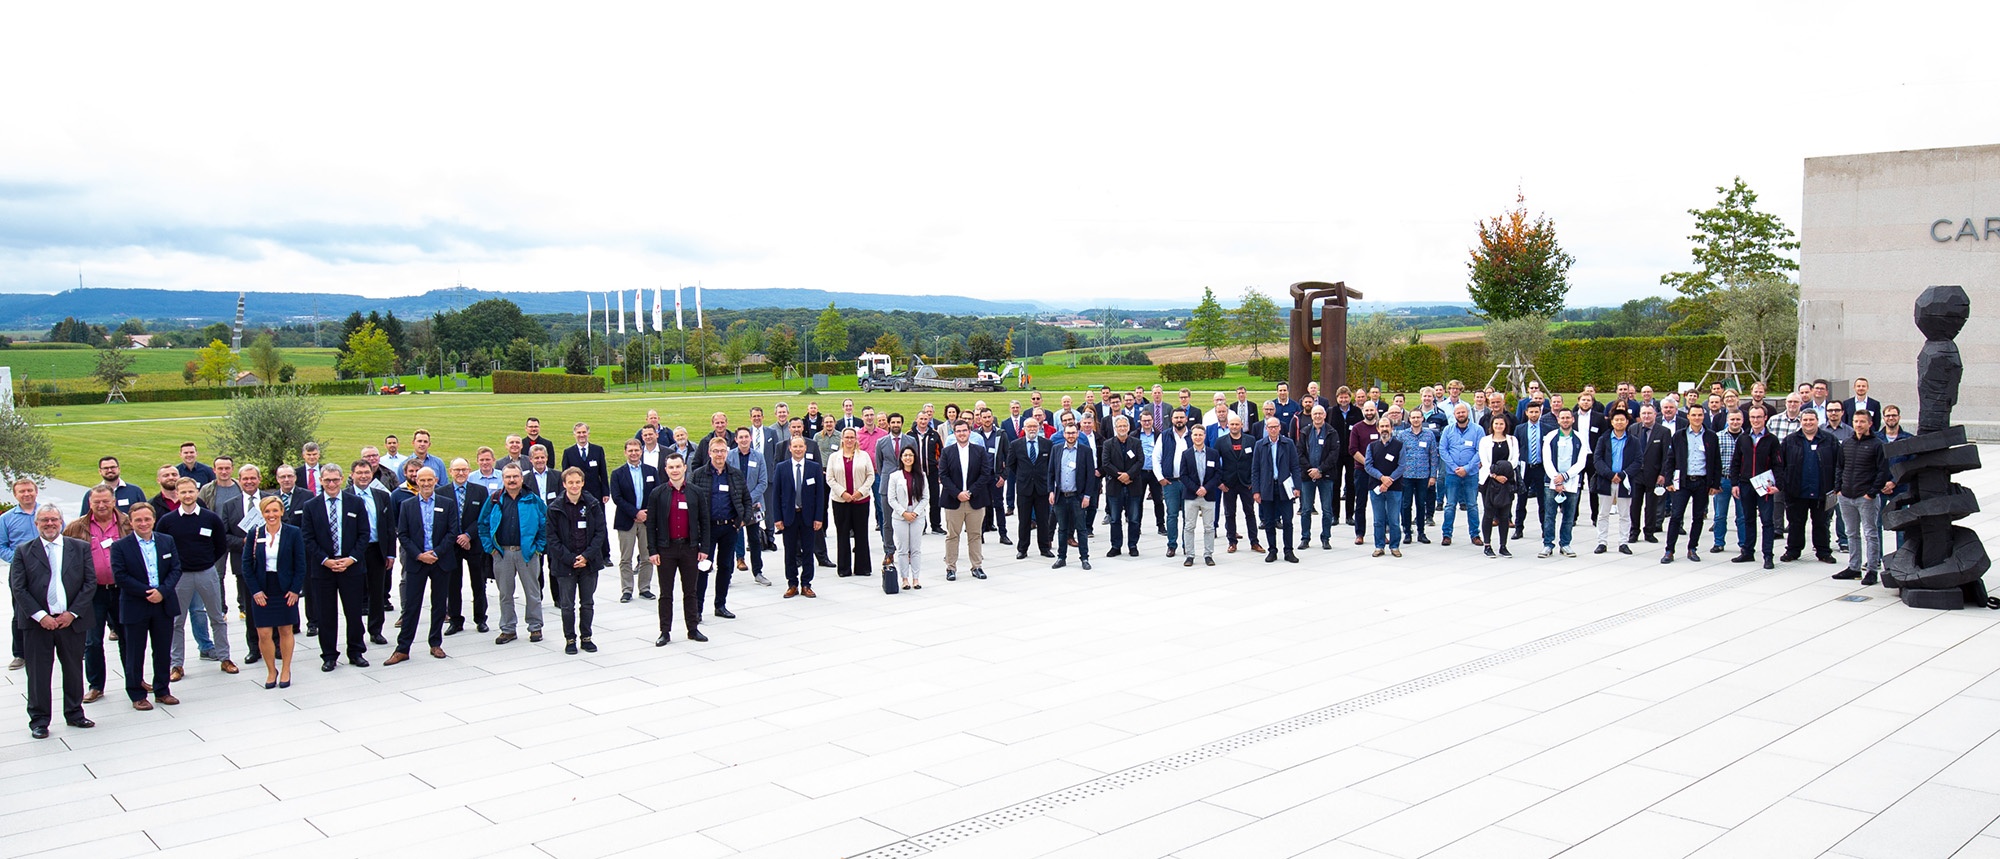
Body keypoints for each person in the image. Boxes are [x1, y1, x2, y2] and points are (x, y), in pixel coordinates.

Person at [12, 504, 94, 737]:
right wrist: (41, 616)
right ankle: (39, 721)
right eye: (44, 520)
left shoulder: (79, 548)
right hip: (38, 624)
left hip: (71, 622)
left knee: (73, 669)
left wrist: (72, 613)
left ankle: (75, 713)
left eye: (54, 520)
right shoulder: (24, 551)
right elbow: (18, 587)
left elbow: (89, 583)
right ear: (36, 523)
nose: (49, 524)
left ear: (61, 522)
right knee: (38, 674)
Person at [156, 478, 236, 679]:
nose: (187, 496)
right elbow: (161, 547)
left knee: (217, 617)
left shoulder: (211, 519)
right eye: (183, 492)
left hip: (207, 573)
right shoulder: (167, 521)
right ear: (177, 494)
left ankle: (224, 657)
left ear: (196, 492)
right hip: (180, 577)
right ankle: (176, 665)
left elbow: (220, 545)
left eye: (191, 491)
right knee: (176, 621)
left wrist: (206, 561)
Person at [60, 485, 127, 703]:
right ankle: (96, 685)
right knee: (92, 641)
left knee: (128, 637)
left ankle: (134, 680)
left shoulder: (127, 522)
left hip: (122, 590)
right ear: (89, 503)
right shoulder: (76, 527)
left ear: (113, 501)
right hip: (92, 593)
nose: (101, 505)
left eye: (105, 501)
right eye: (96, 501)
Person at [387, 467, 459, 663]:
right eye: (422, 480)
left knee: (438, 604)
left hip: (440, 561)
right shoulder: (407, 505)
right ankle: (403, 648)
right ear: (416, 481)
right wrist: (419, 555)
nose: (426, 484)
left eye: (430, 480)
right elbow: (402, 534)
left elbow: (452, 532)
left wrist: (435, 553)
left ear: (435, 480)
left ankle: (435, 643)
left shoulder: (448, 503)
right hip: (417, 562)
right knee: (411, 606)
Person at [302, 465, 369, 672]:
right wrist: (325, 560)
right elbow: (307, 537)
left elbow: (364, 534)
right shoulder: (310, 506)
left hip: (351, 567)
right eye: (327, 480)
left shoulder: (355, 503)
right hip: (323, 570)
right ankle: (329, 655)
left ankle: (356, 652)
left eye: (335, 480)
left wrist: (351, 559)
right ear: (321, 480)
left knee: (354, 612)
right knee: (326, 615)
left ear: (342, 480)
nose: (331, 484)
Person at [241, 496, 306, 688]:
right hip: (263, 587)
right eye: (267, 511)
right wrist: (255, 591)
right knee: (263, 633)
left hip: (285, 587)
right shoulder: (255, 533)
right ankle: (271, 670)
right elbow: (246, 565)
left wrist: (295, 590)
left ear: (281, 512)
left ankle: (286, 669)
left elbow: (300, 564)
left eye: (275, 511)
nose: (271, 515)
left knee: (286, 630)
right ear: (262, 514)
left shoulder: (293, 533)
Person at [646, 453, 711, 642]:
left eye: (678, 467)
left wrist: (704, 548)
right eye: (671, 467)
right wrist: (653, 551)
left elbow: (704, 522)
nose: (675, 470)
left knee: (690, 591)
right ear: (666, 470)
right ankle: (664, 631)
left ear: (684, 468)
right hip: (666, 549)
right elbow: (651, 525)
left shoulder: (695, 492)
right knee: (666, 593)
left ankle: (692, 629)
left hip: (689, 548)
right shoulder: (657, 494)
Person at [546, 467, 608, 654]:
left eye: (577, 482)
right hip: (566, 565)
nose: (574, 486)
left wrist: (586, 557)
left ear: (582, 482)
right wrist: (570, 558)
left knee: (587, 603)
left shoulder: (592, 504)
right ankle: (570, 639)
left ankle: (586, 637)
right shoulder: (555, 507)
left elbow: (600, 532)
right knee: (567, 605)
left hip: (588, 564)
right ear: (564, 484)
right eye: (570, 482)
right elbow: (552, 538)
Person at [692, 438, 751, 618]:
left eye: (722, 451)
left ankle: (720, 605)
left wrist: (743, 520)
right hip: (707, 530)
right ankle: (697, 609)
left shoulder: (735, 474)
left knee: (725, 567)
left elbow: (746, 500)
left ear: (727, 453)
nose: (719, 455)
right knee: (703, 568)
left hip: (728, 528)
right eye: (716, 451)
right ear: (709, 453)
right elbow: (691, 502)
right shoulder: (699, 474)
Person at [1833, 410, 1890, 585]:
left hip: (1866, 498)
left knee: (1870, 533)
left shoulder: (1877, 444)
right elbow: (1840, 467)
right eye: (1856, 421)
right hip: (1846, 496)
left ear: (1870, 424)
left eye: (1862, 422)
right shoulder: (1847, 443)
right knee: (1851, 533)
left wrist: (1871, 492)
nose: (1858, 424)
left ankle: (1872, 569)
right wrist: (1838, 488)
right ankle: (1854, 567)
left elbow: (1883, 471)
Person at [1661, 404, 1722, 564]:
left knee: (1698, 517)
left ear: (1703, 416)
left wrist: (1715, 484)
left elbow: (1716, 462)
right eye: (1693, 415)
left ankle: (1692, 548)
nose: (1697, 418)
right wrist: (1668, 481)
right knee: (1676, 516)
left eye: (1700, 415)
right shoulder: (1679, 436)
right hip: (1683, 481)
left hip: (1702, 482)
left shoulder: (1711, 436)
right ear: (1688, 416)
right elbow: (1670, 459)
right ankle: (1669, 550)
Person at [1780, 409, 1839, 565]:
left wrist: (1837, 487)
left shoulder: (1830, 440)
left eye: (1811, 420)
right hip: (1796, 490)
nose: (1808, 423)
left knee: (1822, 523)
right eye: (1805, 420)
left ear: (1817, 420)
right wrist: (1784, 484)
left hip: (1823, 491)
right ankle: (1793, 550)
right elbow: (1781, 465)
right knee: (1795, 523)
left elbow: (1839, 465)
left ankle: (1823, 552)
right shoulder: (1790, 441)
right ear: (1801, 421)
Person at [771, 437, 826, 599]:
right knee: (790, 552)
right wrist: (777, 518)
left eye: (801, 446)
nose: (798, 449)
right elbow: (776, 496)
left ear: (805, 448)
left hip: (808, 516)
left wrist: (818, 518)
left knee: (808, 551)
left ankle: (806, 584)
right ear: (790, 448)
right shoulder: (782, 468)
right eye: (795, 446)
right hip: (789, 516)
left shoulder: (814, 468)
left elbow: (820, 495)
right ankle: (792, 584)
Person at [1731, 406, 1784, 570]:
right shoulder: (1743, 438)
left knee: (1767, 521)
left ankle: (1768, 555)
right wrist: (1734, 483)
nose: (1755, 420)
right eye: (1753, 417)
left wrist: (1778, 485)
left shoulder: (1772, 439)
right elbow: (1736, 462)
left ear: (1765, 418)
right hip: (1746, 484)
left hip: (1764, 485)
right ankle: (1747, 551)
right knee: (1748, 519)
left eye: (1759, 417)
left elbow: (1778, 464)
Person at [443, 459, 490, 637]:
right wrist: (458, 537)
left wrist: (468, 535)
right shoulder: (442, 492)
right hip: (452, 545)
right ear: (450, 471)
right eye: (457, 470)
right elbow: (443, 520)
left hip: (474, 543)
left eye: (464, 469)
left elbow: (483, 517)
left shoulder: (479, 491)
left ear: (469, 470)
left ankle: (480, 618)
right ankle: (455, 620)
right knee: (453, 584)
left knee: (479, 582)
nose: (461, 473)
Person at [610, 438, 660, 603]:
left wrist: (647, 513)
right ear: (625, 452)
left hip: (647, 520)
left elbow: (657, 494)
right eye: (630, 450)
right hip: (627, 520)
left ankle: (644, 588)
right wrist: (635, 512)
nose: (634, 453)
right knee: (626, 558)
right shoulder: (617, 473)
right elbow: (617, 497)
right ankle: (627, 589)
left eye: (636, 450)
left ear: (641, 451)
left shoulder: (651, 471)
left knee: (647, 556)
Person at [3, 479, 44, 672]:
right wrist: (18, 559)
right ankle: (20, 654)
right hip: (20, 571)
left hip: (48, 568)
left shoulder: (47, 514)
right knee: (20, 610)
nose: (26, 494)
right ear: (15, 495)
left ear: (36, 492)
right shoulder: (7, 518)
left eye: (29, 490)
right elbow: (2, 546)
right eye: (22, 491)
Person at [827, 428, 877, 579]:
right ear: (842, 439)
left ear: (856, 439)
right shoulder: (834, 457)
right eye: (846, 437)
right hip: (841, 501)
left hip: (860, 500)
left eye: (852, 437)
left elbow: (870, 476)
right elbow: (830, 478)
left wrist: (859, 492)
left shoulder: (864, 456)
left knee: (861, 534)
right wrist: (843, 493)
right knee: (842, 534)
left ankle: (863, 567)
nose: (849, 440)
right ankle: (844, 568)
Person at [1048, 422, 1098, 570]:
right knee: (1062, 529)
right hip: (1061, 496)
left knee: (1081, 529)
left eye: (1073, 433)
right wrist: (1051, 491)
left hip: (1078, 496)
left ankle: (1084, 558)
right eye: (1068, 433)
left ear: (1078, 434)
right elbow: (1050, 472)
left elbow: (1090, 476)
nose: (1070, 436)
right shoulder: (1056, 449)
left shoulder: (1085, 451)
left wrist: (1087, 496)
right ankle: (1061, 557)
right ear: (1064, 434)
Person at [1540, 409, 1588, 558]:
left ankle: (1565, 544)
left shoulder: (1580, 438)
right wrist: (1556, 478)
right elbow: (1546, 460)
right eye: (1563, 418)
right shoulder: (1550, 437)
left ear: (1573, 419)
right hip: (1552, 482)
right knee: (1549, 515)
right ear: (1558, 420)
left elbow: (1581, 462)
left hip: (1572, 482)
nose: (1565, 420)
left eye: (1568, 417)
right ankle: (1548, 545)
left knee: (1568, 515)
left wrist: (1565, 476)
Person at [1098, 416, 1146, 559]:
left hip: (1133, 485)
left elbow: (1140, 461)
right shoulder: (1108, 444)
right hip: (1115, 486)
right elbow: (1105, 463)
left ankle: (1133, 545)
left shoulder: (1136, 443)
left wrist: (1129, 475)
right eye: (1119, 426)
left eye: (1125, 426)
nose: (1122, 429)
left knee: (1134, 518)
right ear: (1115, 428)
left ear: (1128, 427)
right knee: (1114, 519)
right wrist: (1120, 476)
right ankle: (1115, 546)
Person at [1007, 416, 1054, 559]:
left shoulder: (1047, 444)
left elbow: (1051, 465)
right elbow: (1011, 464)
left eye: (1035, 426)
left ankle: (1045, 547)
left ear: (1039, 428)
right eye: (1029, 427)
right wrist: (1024, 475)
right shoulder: (1016, 445)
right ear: (1024, 429)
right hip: (1024, 488)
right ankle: (1022, 548)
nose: (1032, 429)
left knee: (1043, 519)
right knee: (1024, 520)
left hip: (1042, 488)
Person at [731, 427, 772, 587]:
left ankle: (758, 572)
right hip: (734, 505)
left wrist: (747, 499)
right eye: (740, 437)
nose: (743, 440)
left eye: (746, 437)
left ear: (750, 438)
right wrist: (737, 500)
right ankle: (728, 574)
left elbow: (763, 482)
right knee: (732, 538)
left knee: (754, 539)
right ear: (736, 439)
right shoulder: (730, 457)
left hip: (753, 505)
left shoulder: (758, 457)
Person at [1592, 410, 1638, 555]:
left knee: (1625, 514)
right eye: (1616, 420)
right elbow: (1597, 459)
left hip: (1625, 482)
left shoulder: (1633, 440)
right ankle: (1602, 542)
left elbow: (1638, 461)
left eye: (1622, 420)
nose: (1619, 422)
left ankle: (1623, 542)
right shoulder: (1604, 439)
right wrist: (1610, 474)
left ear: (1627, 422)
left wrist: (1623, 475)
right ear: (1612, 422)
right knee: (1603, 513)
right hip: (1606, 480)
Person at [1177, 424, 1224, 566]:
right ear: (1191, 437)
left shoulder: (1213, 453)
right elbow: (1183, 475)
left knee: (1209, 527)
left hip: (1208, 495)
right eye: (1195, 435)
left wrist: (1206, 488)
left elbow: (1218, 474)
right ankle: (1190, 555)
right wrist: (1196, 488)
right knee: (1189, 526)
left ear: (1204, 436)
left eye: (1200, 435)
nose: (1198, 437)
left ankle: (1208, 554)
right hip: (1191, 496)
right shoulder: (1186, 454)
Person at [1297, 405, 1342, 551]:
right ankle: (1305, 538)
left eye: (1320, 414)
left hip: (1326, 476)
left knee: (1327, 509)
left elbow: (1334, 455)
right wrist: (1310, 470)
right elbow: (1299, 453)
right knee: (1305, 510)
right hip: (1308, 476)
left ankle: (1326, 538)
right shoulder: (1304, 432)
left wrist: (1321, 469)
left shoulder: (1331, 432)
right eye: (1315, 413)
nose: (1317, 416)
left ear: (1324, 415)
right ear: (1312, 416)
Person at [1363, 416, 1407, 558]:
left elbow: (1402, 466)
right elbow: (1368, 465)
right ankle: (1379, 546)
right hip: (1376, 487)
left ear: (1392, 428)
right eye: (1381, 427)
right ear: (1377, 429)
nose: (1384, 429)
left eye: (1387, 426)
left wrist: (1389, 481)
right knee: (1378, 520)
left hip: (1394, 488)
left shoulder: (1399, 445)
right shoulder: (1372, 446)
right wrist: (1382, 478)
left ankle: (1394, 546)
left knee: (1394, 520)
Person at [1216, 415, 1260, 555]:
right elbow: (1215, 463)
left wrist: (1253, 482)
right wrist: (1220, 482)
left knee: (1250, 513)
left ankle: (1254, 541)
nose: (1234, 427)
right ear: (1228, 425)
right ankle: (1232, 542)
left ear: (1242, 425)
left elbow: (1256, 463)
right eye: (1232, 424)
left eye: (1237, 424)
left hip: (1246, 483)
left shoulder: (1251, 440)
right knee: (1230, 513)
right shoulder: (1221, 442)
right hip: (1228, 484)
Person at [1396, 407, 1440, 545]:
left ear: (1422, 419)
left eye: (1418, 417)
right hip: (1406, 475)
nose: (1415, 420)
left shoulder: (1429, 435)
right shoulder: (1403, 435)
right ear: (1409, 419)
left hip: (1423, 475)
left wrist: (1433, 476)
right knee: (1406, 504)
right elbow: (1398, 455)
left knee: (1421, 504)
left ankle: (1421, 532)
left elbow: (1433, 456)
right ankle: (1407, 532)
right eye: (1413, 417)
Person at [1477, 412, 1518, 557]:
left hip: (1506, 481)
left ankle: (1503, 545)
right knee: (1489, 513)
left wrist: (1505, 474)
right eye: (1496, 424)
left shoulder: (1512, 440)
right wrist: (1495, 475)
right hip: (1489, 481)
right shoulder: (1485, 441)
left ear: (1505, 425)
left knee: (1504, 514)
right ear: (1492, 425)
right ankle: (1487, 545)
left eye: (1501, 424)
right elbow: (1485, 461)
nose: (1499, 426)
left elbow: (1514, 460)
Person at [887, 446, 926, 592]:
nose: (908, 458)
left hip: (917, 516)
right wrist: (904, 513)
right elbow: (891, 499)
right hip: (900, 517)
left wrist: (915, 513)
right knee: (903, 549)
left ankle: (916, 578)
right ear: (901, 458)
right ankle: (904, 579)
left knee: (915, 549)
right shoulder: (894, 476)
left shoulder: (921, 475)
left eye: (910, 455)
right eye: (905, 455)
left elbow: (925, 497)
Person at [1346, 404, 1383, 546]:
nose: (1369, 412)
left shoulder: (1381, 427)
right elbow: (1353, 449)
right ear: (1363, 411)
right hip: (1361, 471)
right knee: (1361, 503)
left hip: (1379, 473)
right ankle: (1359, 533)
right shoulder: (1357, 428)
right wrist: (1368, 464)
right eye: (1366, 410)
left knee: (1379, 504)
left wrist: (1376, 468)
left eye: (1371, 410)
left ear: (1375, 411)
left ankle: (1380, 533)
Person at [562, 422, 610, 505]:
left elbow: (603, 472)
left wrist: (605, 492)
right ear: (574, 435)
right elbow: (565, 475)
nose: (581, 435)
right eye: (579, 433)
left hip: (595, 493)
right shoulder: (568, 452)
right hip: (576, 494)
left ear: (588, 434)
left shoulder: (598, 450)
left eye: (584, 432)